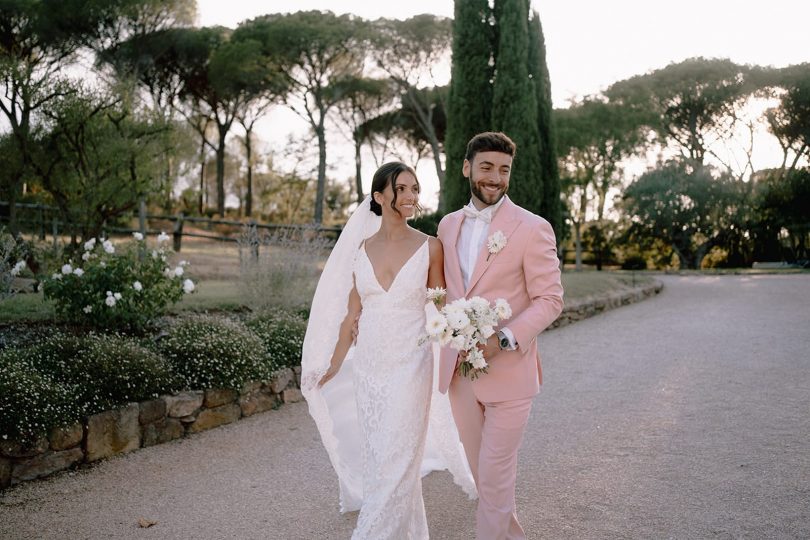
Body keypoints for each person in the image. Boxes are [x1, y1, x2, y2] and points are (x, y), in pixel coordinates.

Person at [301, 162, 476, 539]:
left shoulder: (431, 247)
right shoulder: (360, 250)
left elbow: (441, 306)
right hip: (370, 371)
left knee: (397, 463)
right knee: (383, 462)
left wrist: (466, 341)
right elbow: (351, 318)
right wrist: (330, 367)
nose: (411, 196)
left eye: (415, 188)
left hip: (411, 367)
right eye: (402, 189)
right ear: (379, 197)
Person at [437, 132, 564, 539]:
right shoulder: (447, 225)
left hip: (510, 373)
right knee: (483, 478)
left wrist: (503, 339)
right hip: (459, 375)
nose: (495, 177)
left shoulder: (532, 227)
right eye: (487, 167)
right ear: (467, 168)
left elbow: (550, 299)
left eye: (504, 170)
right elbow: (444, 291)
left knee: (494, 476)